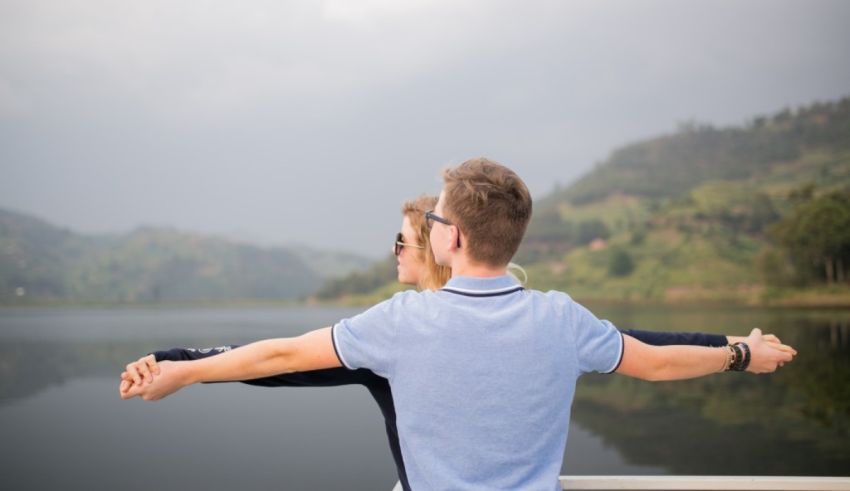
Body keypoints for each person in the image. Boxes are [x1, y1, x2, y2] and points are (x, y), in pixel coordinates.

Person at [120, 159, 795, 490]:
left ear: (453, 239)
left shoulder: (400, 325)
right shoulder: (560, 317)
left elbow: (278, 356)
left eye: (433, 221)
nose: (425, 230)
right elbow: (655, 357)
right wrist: (740, 352)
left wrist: (182, 370)